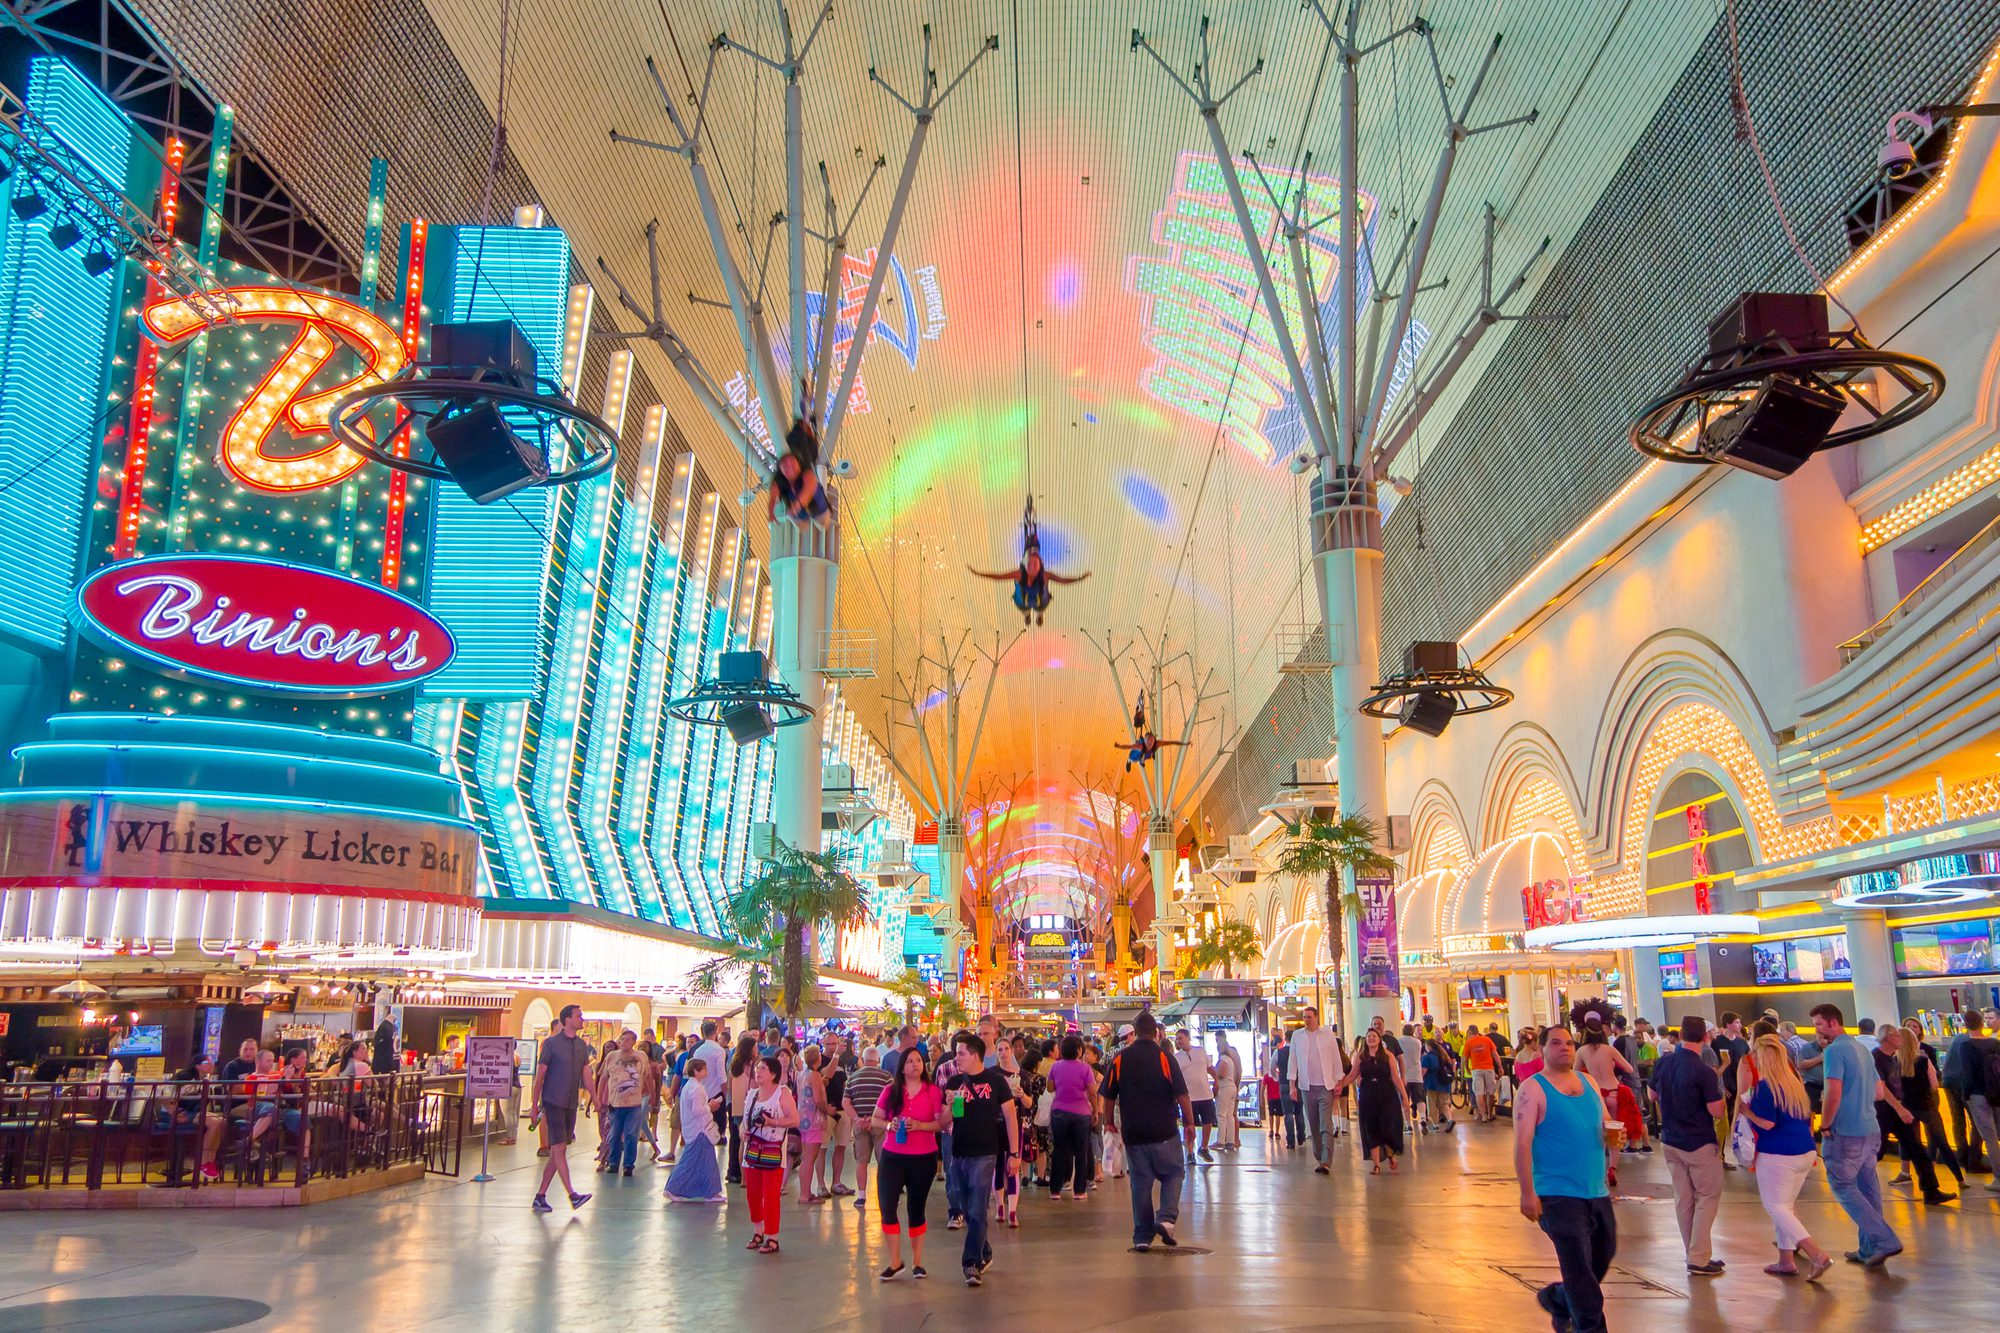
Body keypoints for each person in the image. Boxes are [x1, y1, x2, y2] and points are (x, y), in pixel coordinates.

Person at [1514, 1027, 1615, 1333]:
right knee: (1581, 1274)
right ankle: (1588, 1325)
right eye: (1556, 1043)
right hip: (1556, 1193)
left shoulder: (1588, 1082)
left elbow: (1604, 1124)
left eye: (1570, 1043)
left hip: (1595, 1189)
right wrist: (1527, 1192)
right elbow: (1522, 1143)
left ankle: (1559, 1298)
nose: (1565, 1048)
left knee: (1602, 1256)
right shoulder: (1533, 1089)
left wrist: (1615, 1136)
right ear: (1541, 1050)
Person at [1812, 1002, 1901, 1266]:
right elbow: (1879, 1093)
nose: (1817, 1030)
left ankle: (1884, 1240)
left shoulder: (1834, 1052)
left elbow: (1833, 1093)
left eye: (1819, 1024)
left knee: (1842, 1185)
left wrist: (1825, 1124)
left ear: (1833, 1022)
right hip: (1870, 1129)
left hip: (1846, 1132)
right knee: (1868, 1188)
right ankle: (1869, 1248)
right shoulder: (1863, 1050)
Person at [1739, 1035, 1833, 1280]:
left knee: (1776, 1206)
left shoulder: (1765, 1087)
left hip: (1777, 1153)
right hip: (1804, 1151)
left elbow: (1767, 1123)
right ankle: (1786, 1259)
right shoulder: (1794, 1084)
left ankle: (1817, 1254)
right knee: (1787, 1206)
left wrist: (1745, 1111)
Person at [1099, 1011, 1192, 1252]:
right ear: (1157, 1033)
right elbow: (1182, 1094)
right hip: (1164, 1131)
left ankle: (1142, 1236)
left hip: (1134, 1132)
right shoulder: (1165, 1057)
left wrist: (1109, 1121)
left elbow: (1108, 1094)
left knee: (1140, 1184)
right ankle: (1166, 1218)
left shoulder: (1121, 1058)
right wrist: (1190, 1124)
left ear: (1135, 1031)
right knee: (1173, 1173)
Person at [1646, 1016, 1726, 1276]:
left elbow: (1651, 1095)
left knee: (1683, 1199)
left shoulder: (1663, 1062)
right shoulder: (1703, 1071)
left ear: (1679, 1035)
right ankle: (1699, 1257)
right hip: (1699, 1141)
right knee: (1707, 1197)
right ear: (1705, 1038)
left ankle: (1693, 1252)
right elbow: (1715, 1111)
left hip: (1670, 1140)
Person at [941, 1034, 1018, 1287]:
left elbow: (1010, 1117)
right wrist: (949, 1106)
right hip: (959, 1153)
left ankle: (970, 1263)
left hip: (986, 1154)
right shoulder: (954, 1082)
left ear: (975, 1055)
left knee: (976, 1208)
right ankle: (985, 1252)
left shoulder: (996, 1082)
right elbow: (946, 1121)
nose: (957, 1058)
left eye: (961, 1053)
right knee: (967, 1208)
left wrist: (1014, 1154)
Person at [873, 1045, 945, 1280]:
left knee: (916, 1208)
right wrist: (888, 1125)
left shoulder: (933, 1092)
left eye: (918, 1060)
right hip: (892, 1156)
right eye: (910, 1061)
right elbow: (876, 1118)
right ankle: (895, 1261)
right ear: (901, 1067)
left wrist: (921, 1126)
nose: (915, 1064)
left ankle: (917, 1261)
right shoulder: (890, 1091)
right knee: (887, 1206)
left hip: (923, 1157)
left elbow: (939, 1124)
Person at [970, 495, 1088, 626]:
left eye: (1033, 563)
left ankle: (1031, 616)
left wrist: (1079, 578)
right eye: (1031, 563)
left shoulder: (1022, 574)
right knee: (1037, 608)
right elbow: (1062, 581)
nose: (1031, 565)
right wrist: (1079, 578)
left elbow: (998, 577)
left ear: (1036, 566)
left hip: (1025, 602)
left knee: (1031, 608)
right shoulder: (1041, 574)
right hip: (1038, 602)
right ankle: (1034, 616)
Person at [1871, 1025, 1952, 1204]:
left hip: (1898, 1110)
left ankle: (1931, 1191)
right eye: (1897, 1036)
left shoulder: (1892, 1058)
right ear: (1888, 1038)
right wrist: (1900, 1109)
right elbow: (1882, 1088)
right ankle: (1856, 1181)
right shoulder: (1876, 1058)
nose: (1901, 1039)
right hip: (1885, 1112)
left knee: (1917, 1149)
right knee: (1877, 1150)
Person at [530, 1004, 594, 1214]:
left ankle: (540, 1196)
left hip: (570, 1103)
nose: (582, 1019)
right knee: (558, 1148)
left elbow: (586, 1075)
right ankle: (572, 1195)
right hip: (553, 1102)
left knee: (559, 1149)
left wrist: (595, 1098)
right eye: (579, 1015)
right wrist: (534, 1106)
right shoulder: (551, 1044)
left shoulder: (581, 1046)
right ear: (567, 1019)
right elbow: (540, 1076)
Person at [739, 1056, 797, 1254]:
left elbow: (794, 1119)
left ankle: (773, 1236)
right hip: (753, 1150)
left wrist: (773, 1123)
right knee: (753, 1194)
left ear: (773, 1073)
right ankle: (758, 1231)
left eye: (763, 1068)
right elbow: (744, 1121)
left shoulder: (782, 1093)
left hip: (773, 1151)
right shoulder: (752, 1094)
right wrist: (742, 1132)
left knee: (770, 1195)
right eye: (757, 1067)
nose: (758, 1071)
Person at [1333, 1027, 1408, 1174]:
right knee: (1371, 1128)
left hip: (1387, 1094)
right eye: (1369, 1037)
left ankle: (1390, 1154)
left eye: (1374, 1036)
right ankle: (1376, 1164)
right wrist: (1341, 1085)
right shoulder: (1361, 1057)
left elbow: (1396, 1078)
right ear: (1365, 1040)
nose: (1371, 1039)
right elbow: (1353, 1075)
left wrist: (1404, 1097)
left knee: (1387, 1127)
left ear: (1379, 1039)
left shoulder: (1388, 1056)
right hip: (1368, 1095)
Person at [1946, 1009, 2000, 1187]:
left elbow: (1967, 1075)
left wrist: (1966, 1095)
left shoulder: (1965, 1045)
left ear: (1964, 1023)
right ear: (1982, 1022)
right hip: (1996, 1093)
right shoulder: (1994, 1042)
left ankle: (1998, 1177)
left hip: (1977, 1094)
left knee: (1989, 1136)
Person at [1289, 1006, 1347, 1173]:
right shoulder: (1297, 1037)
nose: (1306, 1020)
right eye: (1304, 1017)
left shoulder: (1327, 1035)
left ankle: (1326, 1160)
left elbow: (1336, 1058)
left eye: (1309, 1017)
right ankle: (1319, 1156)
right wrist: (1292, 1084)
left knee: (1325, 1122)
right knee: (1313, 1124)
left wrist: (1339, 1081)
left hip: (1325, 1086)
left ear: (1316, 1017)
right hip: (1307, 1087)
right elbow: (1293, 1060)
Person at [1576, 1016, 1645, 1157]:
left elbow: (1575, 1073)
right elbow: (1629, 1069)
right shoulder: (1609, 1049)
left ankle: (1601, 1158)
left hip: (1595, 1093)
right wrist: (1613, 1066)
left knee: (1597, 1128)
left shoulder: (1582, 1051)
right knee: (1614, 1129)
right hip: (1614, 1090)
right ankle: (1613, 1166)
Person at [663, 1057, 724, 1203]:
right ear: (697, 1071)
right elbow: (697, 1110)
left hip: (695, 1129)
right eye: (704, 1069)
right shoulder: (696, 1088)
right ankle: (673, 1188)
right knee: (692, 1161)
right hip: (700, 1130)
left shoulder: (690, 1086)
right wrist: (711, 1106)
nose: (706, 1071)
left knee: (704, 1161)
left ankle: (710, 1191)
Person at [595, 1029, 652, 1178]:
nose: (624, 1043)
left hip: (634, 1104)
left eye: (627, 1040)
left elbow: (648, 1077)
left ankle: (628, 1165)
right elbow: (603, 1078)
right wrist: (598, 1098)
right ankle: (613, 1163)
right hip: (615, 1103)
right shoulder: (611, 1057)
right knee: (614, 1135)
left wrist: (651, 1095)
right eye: (622, 1040)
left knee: (630, 1134)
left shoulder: (641, 1057)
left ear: (634, 1042)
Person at [1046, 1034, 1096, 1198]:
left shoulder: (1055, 1067)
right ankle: (1080, 1191)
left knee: (1059, 1150)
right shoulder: (1085, 1068)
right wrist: (1095, 1111)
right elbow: (1092, 1092)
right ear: (1079, 1050)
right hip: (1081, 1114)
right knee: (1081, 1152)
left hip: (1059, 1112)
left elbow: (1050, 1088)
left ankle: (1055, 1190)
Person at [844, 1047, 892, 1212]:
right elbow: (892, 1100)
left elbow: (846, 1102)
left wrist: (857, 1119)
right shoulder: (886, 1077)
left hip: (860, 1124)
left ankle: (862, 1196)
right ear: (877, 1061)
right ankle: (885, 1195)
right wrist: (875, 1119)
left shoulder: (852, 1078)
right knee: (883, 1161)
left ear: (862, 1060)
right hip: (879, 1124)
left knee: (861, 1161)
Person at [1173, 1029, 1217, 1162]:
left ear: (1187, 1037)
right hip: (1188, 1097)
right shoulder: (1177, 1057)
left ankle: (1204, 1147)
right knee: (1188, 1125)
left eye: (1181, 1038)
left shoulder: (1200, 1051)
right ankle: (1190, 1151)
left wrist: (1216, 1081)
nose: (1179, 1041)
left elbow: (1210, 1068)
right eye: (1177, 1039)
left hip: (1205, 1094)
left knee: (1208, 1122)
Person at [793, 1043, 829, 1205]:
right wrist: (829, 1110)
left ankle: (805, 1192)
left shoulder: (802, 1074)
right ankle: (805, 1194)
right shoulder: (814, 1075)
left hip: (803, 1118)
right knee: (810, 1158)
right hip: (814, 1120)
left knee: (806, 1156)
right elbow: (817, 1099)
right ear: (818, 1058)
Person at [1462, 1023, 1501, 1123]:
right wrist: (1500, 1067)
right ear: (1477, 1031)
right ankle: (1490, 1114)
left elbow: (1465, 1058)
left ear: (1470, 1032)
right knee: (1490, 1092)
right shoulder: (1487, 1040)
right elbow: (1495, 1055)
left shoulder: (1469, 1042)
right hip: (1489, 1069)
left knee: (1479, 1093)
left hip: (1476, 1070)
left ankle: (1483, 1116)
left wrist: (1466, 1068)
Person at [1211, 1033, 1241, 1151]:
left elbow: (1222, 1074)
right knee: (1230, 1116)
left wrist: (1213, 1072)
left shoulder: (1223, 1059)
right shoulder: (1230, 1059)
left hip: (1224, 1088)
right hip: (1232, 1087)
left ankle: (1220, 1140)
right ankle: (1230, 1141)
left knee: (1221, 1115)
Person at [1271, 1031, 1300, 1148]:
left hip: (1283, 1083)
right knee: (1299, 1111)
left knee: (1287, 1113)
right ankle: (1301, 1135)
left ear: (1285, 1039)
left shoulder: (1278, 1052)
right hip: (1298, 1084)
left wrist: (1276, 1077)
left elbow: (1272, 1067)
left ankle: (1291, 1141)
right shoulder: (1299, 1052)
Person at [1422, 1034, 1456, 1133]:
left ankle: (1434, 1125)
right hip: (1445, 1083)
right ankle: (1450, 1120)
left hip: (1431, 1083)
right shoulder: (1444, 1055)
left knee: (1431, 1104)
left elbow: (1423, 1071)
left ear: (1428, 1046)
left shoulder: (1427, 1057)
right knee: (1444, 1104)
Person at [1398, 1026, 1429, 1132]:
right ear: (1412, 1032)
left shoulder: (1399, 1041)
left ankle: (1408, 1125)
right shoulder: (1418, 1042)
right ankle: (1423, 1118)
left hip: (1404, 1076)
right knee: (1420, 1099)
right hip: (1417, 1075)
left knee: (1405, 1101)